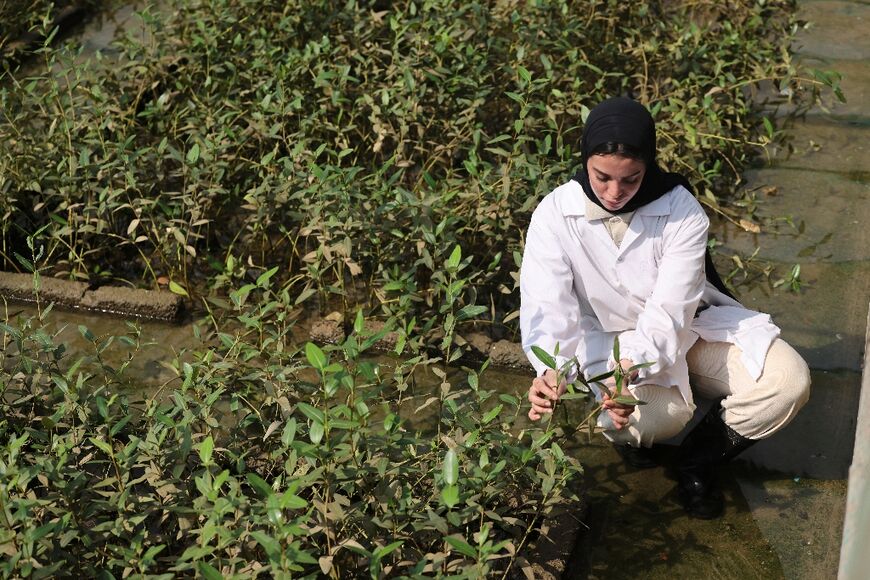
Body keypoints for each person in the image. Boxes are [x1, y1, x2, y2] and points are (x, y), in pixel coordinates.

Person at [520, 96, 810, 519]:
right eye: (601, 177)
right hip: (610, 340)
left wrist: (632, 367)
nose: (614, 193)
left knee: (787, 382)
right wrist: (552, 371)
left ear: (650, 165)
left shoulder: (680, 210)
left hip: (687, 328)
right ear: (584, 160)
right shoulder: (555, 214)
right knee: (646, 421)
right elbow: (548, 304)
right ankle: (639, 437)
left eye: (631, 179)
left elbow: (671, 310)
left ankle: (698, 461)